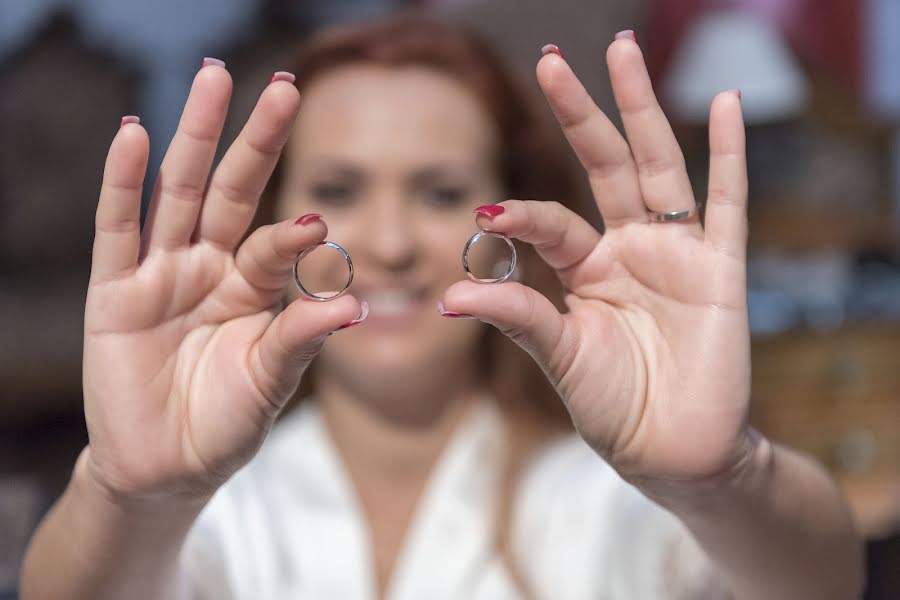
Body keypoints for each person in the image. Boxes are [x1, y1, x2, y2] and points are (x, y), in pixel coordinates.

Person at [20, 16, 863, 600]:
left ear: (512, 213)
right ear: (273, 213)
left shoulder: (616, 492)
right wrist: (127, 494)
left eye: (440, 191)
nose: (388, 243)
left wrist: (724, 477)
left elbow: (817, 582)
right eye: (339, 189)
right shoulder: (215, 507)